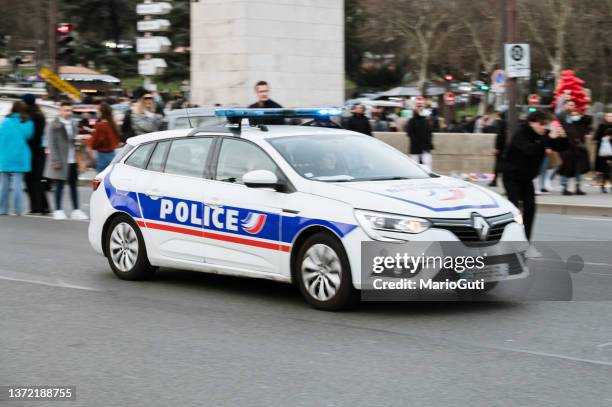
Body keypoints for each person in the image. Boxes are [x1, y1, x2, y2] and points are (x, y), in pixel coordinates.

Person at [503, 110, 568, 240]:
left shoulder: (543, 134)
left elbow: (561, 147)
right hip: (512, 177)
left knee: (530, 208)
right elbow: (530, 150)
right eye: (542, 124)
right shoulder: (520, 133)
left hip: (527, 178)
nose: (545, 127)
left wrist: (563, 137)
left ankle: (525, 241)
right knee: (514, 209)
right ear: (532, 123)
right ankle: (509, 238)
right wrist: (549, 138)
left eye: (546, 124)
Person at [44, 101, 88, 221]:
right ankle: (58, 210)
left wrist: (78, 142)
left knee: (74, 185)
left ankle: (76, 210)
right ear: (60, 111)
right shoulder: (53, 124)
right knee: (59, 186)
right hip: (60, 160)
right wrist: (55, 160)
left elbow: (73, 140)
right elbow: (51, 144)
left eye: (70, 110)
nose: (68, 113)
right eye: (65, 110)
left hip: (72, 159)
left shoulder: (73, 123)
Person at [0, 101, 34, 216]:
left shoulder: (4, 122)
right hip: (20, 156)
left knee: (4, 184)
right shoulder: (27, 123)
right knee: (17, 185)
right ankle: (18, 210)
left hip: (5, 156)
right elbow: (29, 136)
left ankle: (2, 209)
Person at [556, 100, 592, 195]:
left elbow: (588, 120)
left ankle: (578, 187)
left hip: (577, 147)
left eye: (573, 105)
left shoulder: (576, 117)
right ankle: (564, 187)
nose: (571, 106)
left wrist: (583, 112)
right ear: (565, 106)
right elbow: (558, 126)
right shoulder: (562, 115)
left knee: (578, 168)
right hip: (566, 146)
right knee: (566, 167)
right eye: (569, 104)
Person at [22, 94, 50, 215]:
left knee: (32, 180)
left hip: (33, 151)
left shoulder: (31, 116)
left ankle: (37, 207)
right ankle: (42, 207)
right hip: (39, 151)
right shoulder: (39, 114)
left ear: (26, 103)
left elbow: (32, 136)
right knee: (35, 180)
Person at [88, 103, 121, 173]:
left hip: (102, 157)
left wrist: (89, 139)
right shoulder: (112, 125)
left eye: (98, 111)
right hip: (112, 155)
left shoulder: (100, 126)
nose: (97, 112)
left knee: (100, 181)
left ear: (102, 112)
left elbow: (94, 144)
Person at [406, 103, 434, 170]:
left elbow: (429, 132)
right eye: (419, 108)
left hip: (422, 146)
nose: (420, 109)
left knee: (426, 165)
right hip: (419, 146)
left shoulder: (425, 120)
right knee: (418, 165)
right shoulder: (413, 121)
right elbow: (410, 133)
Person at [594, 112, 612, 193]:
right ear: (605, 117)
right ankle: (603, 185)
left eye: (611, 116)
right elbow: (596, 137)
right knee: (605, 170)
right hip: (605, 152)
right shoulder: (602, 126)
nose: (610, 117)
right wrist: (605, 138)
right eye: (608, 116)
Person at [489, 111, 506, 187]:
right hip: (504, 146)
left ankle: (494, 181)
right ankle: (495, 180)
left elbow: (499, 135)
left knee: (498, 164)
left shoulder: (498, 123)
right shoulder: (506, 122)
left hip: (500, 146)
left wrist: (496, 147)